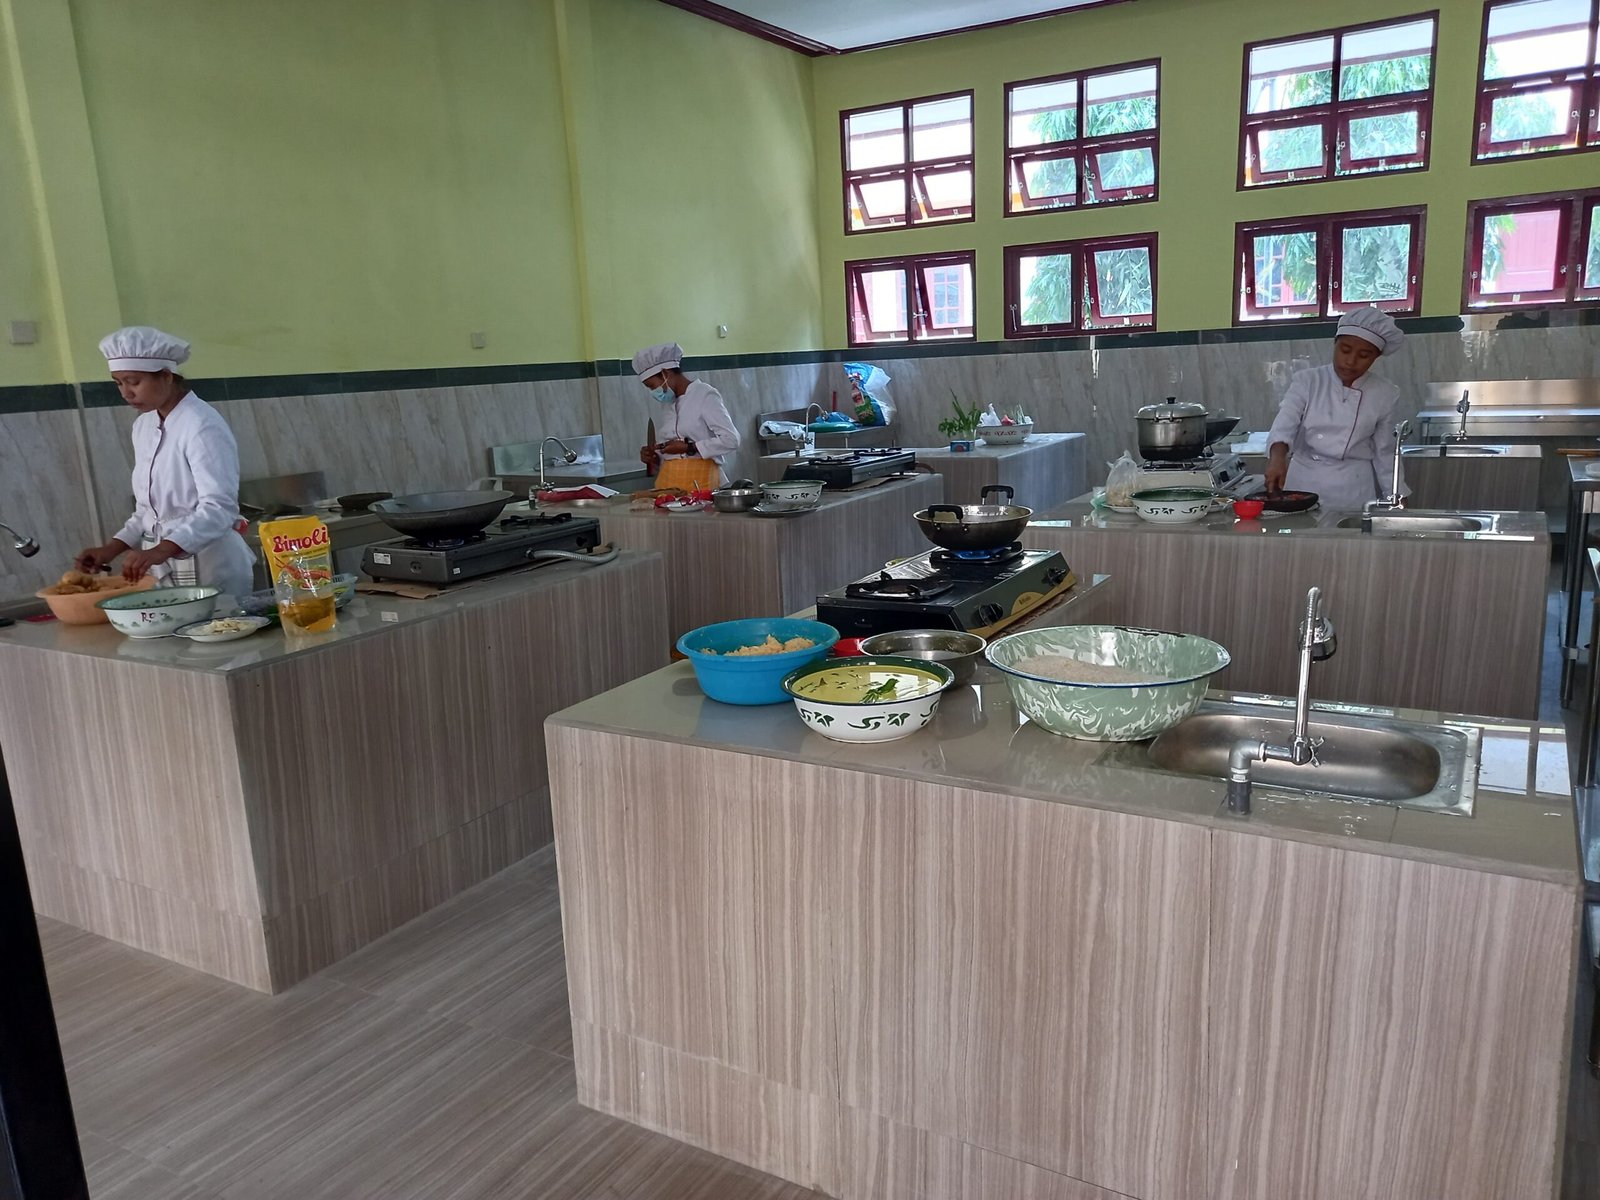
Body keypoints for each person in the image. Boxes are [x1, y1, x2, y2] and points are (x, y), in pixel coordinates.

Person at [75, 326, 255, 599]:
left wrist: (162, 549)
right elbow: (147, 510)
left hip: (211, 564)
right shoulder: (144, 425)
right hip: (163, 568)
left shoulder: (201, 425)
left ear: (167, 376)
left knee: (218, 624)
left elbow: (219, 507)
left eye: (133, 381)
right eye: (118, 383)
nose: (125, 393)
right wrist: (112, 548)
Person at [1264, 306, 1409, 513]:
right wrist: (1277, 458)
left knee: (1349, 534)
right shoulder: (1308, 381)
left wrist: (1397, 497)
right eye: (1345, 350)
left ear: (1375, 357)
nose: (1350, 361)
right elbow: (1285, 425)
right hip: (1303, 482)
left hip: (1353, 487)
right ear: (1334, 344)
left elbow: (1385, 452)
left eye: (1364, 355)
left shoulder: (1385, 393)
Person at [632, 342, 740, 491]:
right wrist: (653, 457)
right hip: (669, 484)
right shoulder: (667, 403)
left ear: (665, 373)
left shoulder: (704, 394)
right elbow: (669, 454)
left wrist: (690, 447)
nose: (653, 391)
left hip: (703, 482)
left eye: (651, 386)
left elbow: (731, 440)